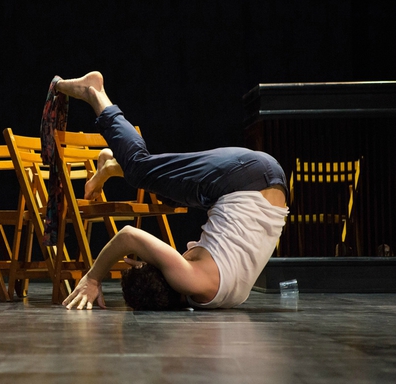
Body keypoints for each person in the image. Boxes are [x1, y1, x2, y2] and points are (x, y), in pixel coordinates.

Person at [54, 71, 289, 310]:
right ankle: (95, 93)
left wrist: (151, 267)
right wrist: (93, 278)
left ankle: (113, 167)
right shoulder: (186, 277)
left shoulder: (219, 296)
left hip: (269, 184)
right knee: (139, 168)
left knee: (166, 192)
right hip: (244, 178)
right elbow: (128, 235)